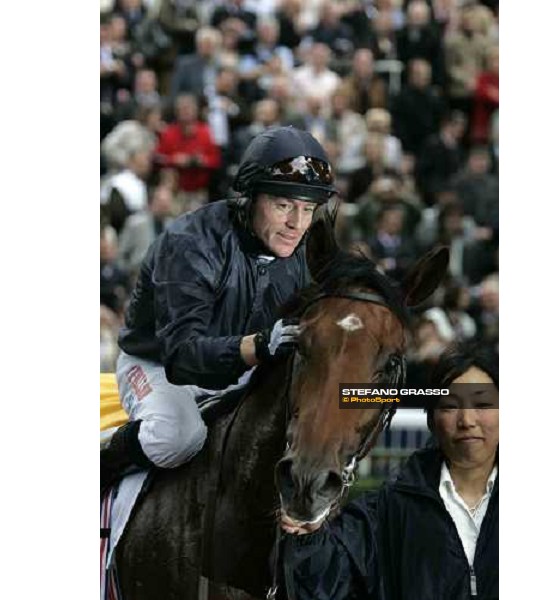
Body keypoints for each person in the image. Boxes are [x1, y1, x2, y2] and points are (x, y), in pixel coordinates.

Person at [100, 126, 337, 491]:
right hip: (158, 364)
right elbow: (182, 356)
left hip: (239, 369)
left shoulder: (303, 255)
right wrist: (259, 346)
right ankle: (101, 462)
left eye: (307, 209)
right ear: (248, 198)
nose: (297, 224)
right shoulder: (189, 243)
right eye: (284, 205)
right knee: (178, 437)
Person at [279, 341, 499, 600]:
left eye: (482, 405)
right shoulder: (385, 510)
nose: (467, 421)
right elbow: (331, 582)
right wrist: (310, 539)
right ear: (431, 418)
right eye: (450, 406)